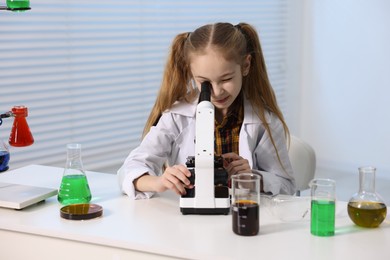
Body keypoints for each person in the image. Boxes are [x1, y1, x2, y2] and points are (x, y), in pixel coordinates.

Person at [118, 22, 296, 199]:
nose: (217, 92)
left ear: (246, 65)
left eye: (226, 79)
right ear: (191, 73)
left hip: (242, 216)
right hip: (191, 222)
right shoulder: (176, 117)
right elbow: (128, 171)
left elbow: (287, 187)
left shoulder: (264, 121)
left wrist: (253, 178)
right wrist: (160, 182)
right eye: (205, 82)